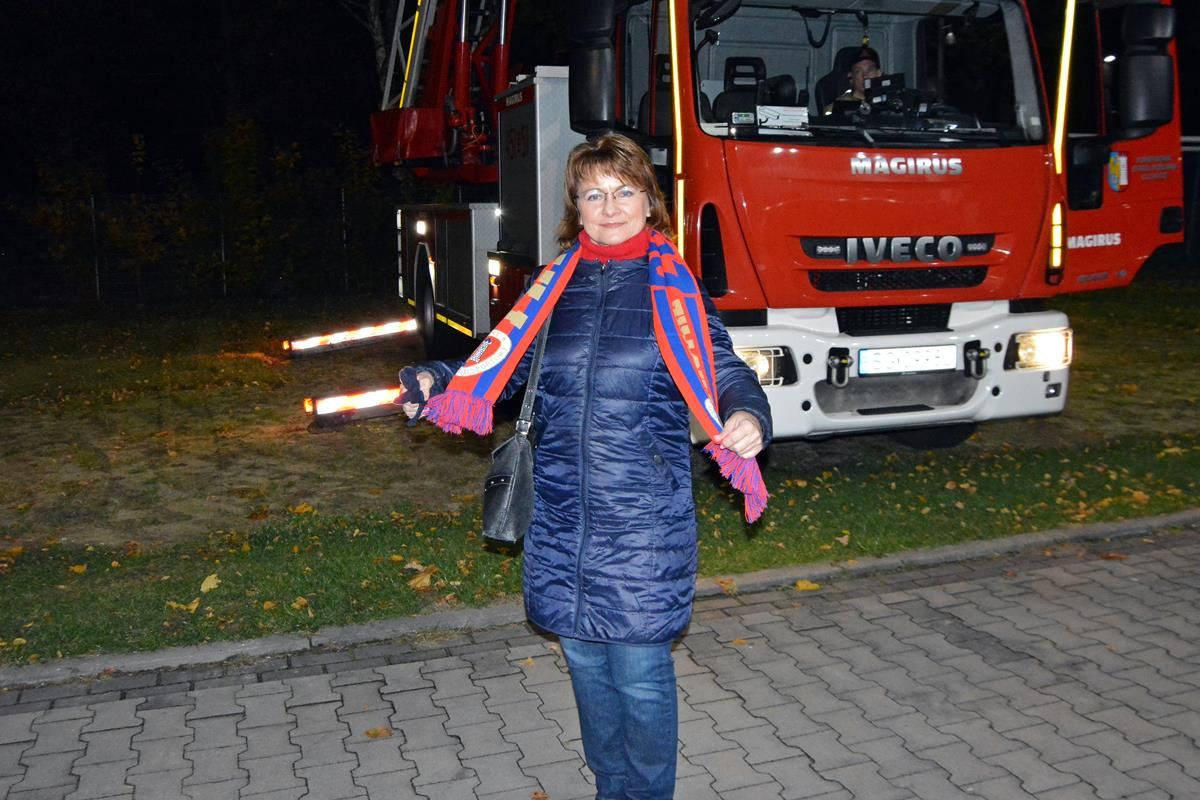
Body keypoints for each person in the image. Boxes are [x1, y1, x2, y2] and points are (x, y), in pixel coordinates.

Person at [399, 133, 771, 800]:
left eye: (625, 191)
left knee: (639, 673)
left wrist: (748, 412)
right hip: (561, 513)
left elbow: (723, 367)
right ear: (576, 207)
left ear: (650, 202)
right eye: (594, 194)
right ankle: (611, 789)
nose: (610, 206)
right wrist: (438, 378)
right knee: (585, 666)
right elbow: (503, 362)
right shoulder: (551, 286)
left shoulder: (676, 290)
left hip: (642, 518)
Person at [823, 45, 882, 114]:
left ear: (878, 74)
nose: (865, 76)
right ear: (851, 77)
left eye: (870, 70)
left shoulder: (889, 101)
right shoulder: (840, 106)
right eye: (858, 71)